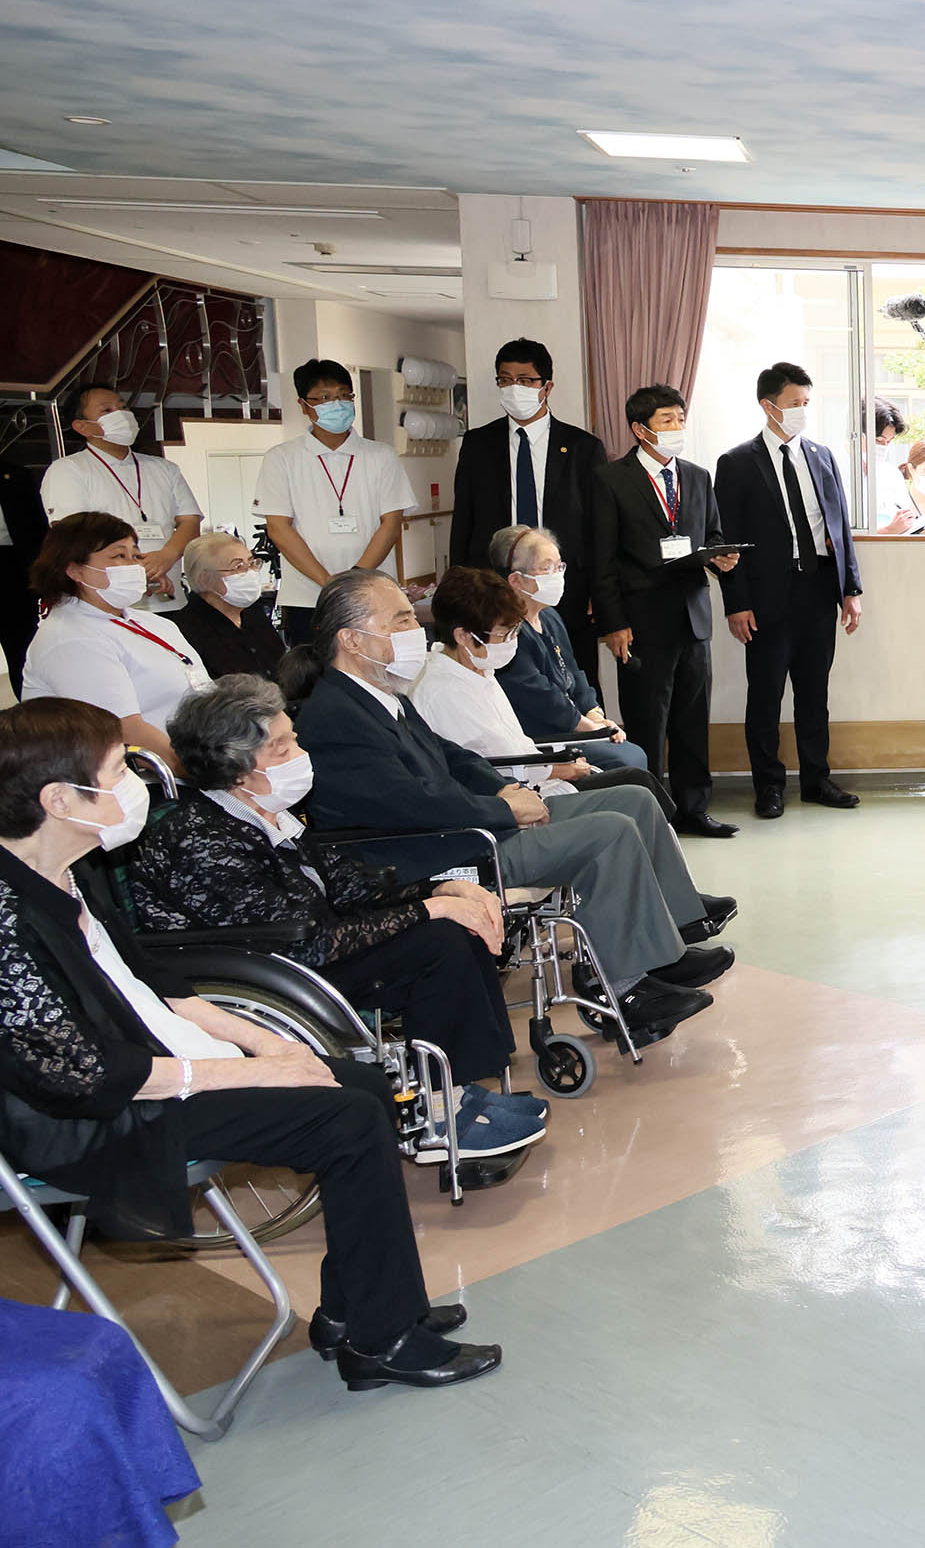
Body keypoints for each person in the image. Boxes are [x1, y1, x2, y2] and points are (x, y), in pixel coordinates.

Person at [0, 697, 500, 1387]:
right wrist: (239, 1073)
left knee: (361, 1082)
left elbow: (160, 986)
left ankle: (359, 1310)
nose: (141, 784)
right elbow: (84, 1075)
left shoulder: (71, 873)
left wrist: (267, 1046)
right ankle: (381, 1343)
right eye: (119, 770)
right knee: (345, 1116)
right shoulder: (6, 916)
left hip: (155, 1064)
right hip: (102, 1112)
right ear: (60, 798)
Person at [284, 570, 733, 1045]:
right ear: (353, 639)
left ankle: (672, 941)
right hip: (433, 853)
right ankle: (624, 992)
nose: (414, 630)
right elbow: (410, 803)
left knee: (633, 800)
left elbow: (452, 758)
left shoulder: (378, 696)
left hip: (459, 825)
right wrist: (501, 810)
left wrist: (504, 791)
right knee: (610, 833)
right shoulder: (337, 715)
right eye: (399, 621)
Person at [128, 676, 545, 1164]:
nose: (300, 754)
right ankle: (439, 1111)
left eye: (294, 739)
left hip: (303, 947)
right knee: (437, 943)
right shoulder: (200, 838)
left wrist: (441, 889)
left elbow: (348, 889)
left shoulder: (269, 814)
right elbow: (301, 942)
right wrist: (430, 909)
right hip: (263, 972)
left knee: (457, 924)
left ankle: (460, 1088)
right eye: (283, 748)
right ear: (238, 769)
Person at [715, 363, 863, 819]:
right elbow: (727, 542)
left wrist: (850, 589)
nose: (802, 412)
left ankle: (817, 779)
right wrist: (736, 603)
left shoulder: (821, 455)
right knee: (765, 695)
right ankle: (769, 786)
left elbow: (839, 527)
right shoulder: (736, 462)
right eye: (794, 404)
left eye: (806, 404)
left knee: (814, 691)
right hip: (766, 598)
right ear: (768, 405)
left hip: (818, 589)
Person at [593, 385, 740, 838]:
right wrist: (613, 623)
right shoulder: (610, 479)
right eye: (666, 420)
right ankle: (651, 815)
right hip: (640, 620)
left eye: (680, 418)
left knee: (692, 720)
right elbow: (601, 559)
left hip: (693, 617)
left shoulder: (697, 476)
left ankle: (694, 809)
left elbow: (711, 534)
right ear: (640, 429)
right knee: (647, 723)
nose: (677, 428)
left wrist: (721, 556)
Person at [410, 565, 676, 814]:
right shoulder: (442, 692)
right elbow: (485, 764)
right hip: (521, 800)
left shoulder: (480, 670)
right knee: (637, 794)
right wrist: (558, 769)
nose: (511, 642)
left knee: (640, 787)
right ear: (464, 636)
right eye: (504, 634)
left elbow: (513, 743)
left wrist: (557, 766)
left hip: (540, 780)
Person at [447, 338, 607, 662]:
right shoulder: (478, 444)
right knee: (501, 676)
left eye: (524, 380)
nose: (513, 388)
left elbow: (599, 528)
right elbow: (464, 519)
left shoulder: (582, 448)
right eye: (505, 380)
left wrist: (599, 591)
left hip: (564, 585)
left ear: (546, 387)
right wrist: (459, 585)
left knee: (574, 675)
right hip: (492, 583)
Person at [20, 513, 206, 766]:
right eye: (119, 555)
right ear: (75, 570)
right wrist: (211, 774)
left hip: (200, 755)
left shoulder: (155, 623)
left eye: (136, 555)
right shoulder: (70, 639)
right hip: (144, 777)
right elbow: (125, 732)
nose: (133, 565)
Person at [253, 358, 415, 644]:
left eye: (343, 396)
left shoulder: (381, 456)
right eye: (325, 398)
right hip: (307, 597)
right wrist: (328, 583)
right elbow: (279, 529)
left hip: (374, 593)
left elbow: (391, 524)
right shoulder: (282, 459)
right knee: (313, 677)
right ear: (304, 405)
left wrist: (355, 580)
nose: (336, 404)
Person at [487, 524, 650, 772]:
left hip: (573, 726)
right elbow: (538, 695)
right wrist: (588, 727)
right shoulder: (506, 631)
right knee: (625, 759)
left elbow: (575, 675)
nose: (556, 574)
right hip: (543, 735)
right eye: (546, 568)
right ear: (516, 579)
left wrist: (595, 715)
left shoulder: (550, 617)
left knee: (631, 753)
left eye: (559, 566)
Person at [41, 382, 202, 610]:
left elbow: (190, 520)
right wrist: (135, 568)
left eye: (123, 407)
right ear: (82, 426)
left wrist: (167, 555)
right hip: (108, 601)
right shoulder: (67, 470)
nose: (122, 415)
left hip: (169, 595)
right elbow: (73, 535)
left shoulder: (164, 468)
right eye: (107, 411)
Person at [164, 531, 288, 681]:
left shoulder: (253, 614)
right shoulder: (185, 630)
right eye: (238, 566)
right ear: (205, 579)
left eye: (252, 563)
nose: (250, 572)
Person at [0, 453, 43, 693]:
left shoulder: (17, 475)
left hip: (12, 570)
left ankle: (30, 713)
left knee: (21, 649)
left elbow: (36, 531)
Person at [869, 398, 916, 535]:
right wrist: (888, 531)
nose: (884, 447)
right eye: (879, 440)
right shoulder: (836, 470)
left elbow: (907, 521)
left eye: (889, 442)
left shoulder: (891, 474)